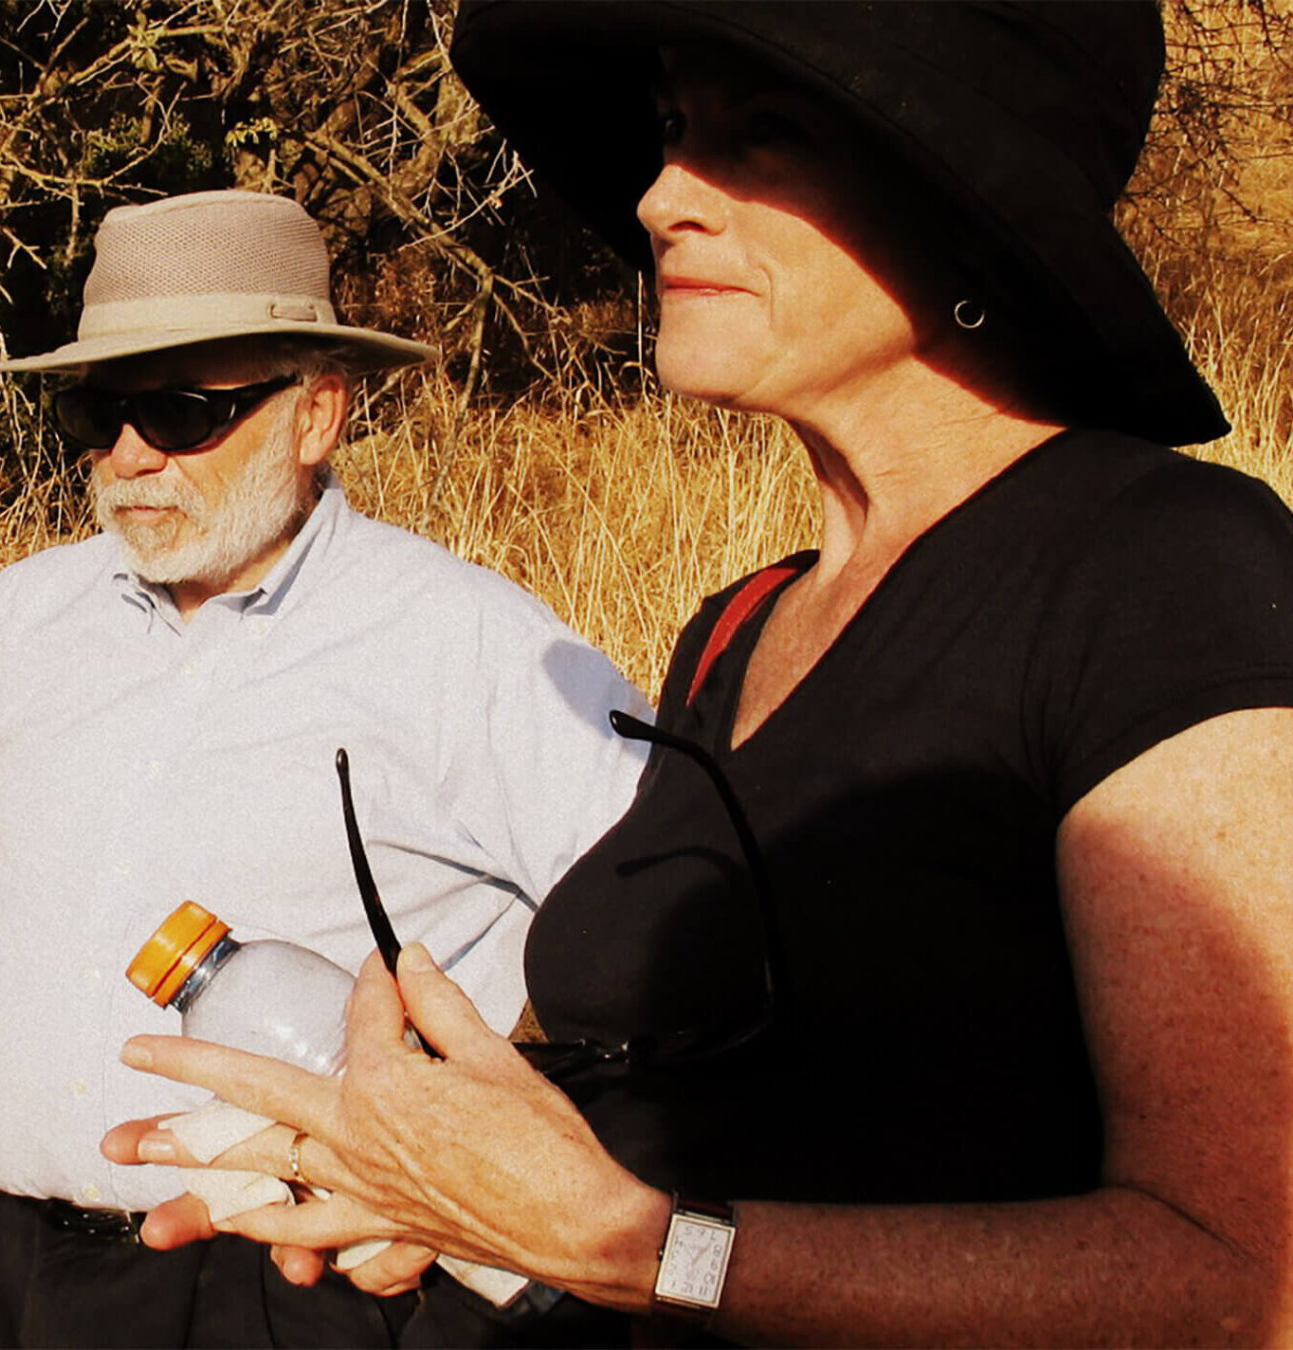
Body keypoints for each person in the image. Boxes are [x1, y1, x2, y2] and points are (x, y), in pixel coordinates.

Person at [105, 3, 1293, 1345]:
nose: (665, 193)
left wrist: (640, 1248)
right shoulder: (737, 629)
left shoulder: (1160, 571)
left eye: (762, 133)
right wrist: (449, 1186)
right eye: (673, 130)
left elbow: (1249, 1279)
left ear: (966, 204)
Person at [0, 189, 649, 1347]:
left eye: (181, 411)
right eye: (99, 411)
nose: (128, 457)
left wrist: (486, 1167)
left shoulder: (473, 647)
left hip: (276, 1296)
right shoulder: (28, 616)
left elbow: (665, 935)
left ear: (316, 414)